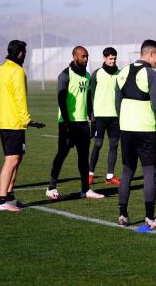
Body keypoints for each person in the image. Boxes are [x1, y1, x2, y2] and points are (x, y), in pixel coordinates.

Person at [115, 39, 156, 228]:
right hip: (145, 130)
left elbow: (117, 103)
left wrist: (122, 121)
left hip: (126, 129)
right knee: (149, 172)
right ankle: (150, 218)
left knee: (127, 171)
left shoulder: (122, 72)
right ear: (150, 55)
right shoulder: (152, 75)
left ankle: (123, 215)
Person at [0, 40, 45, 212]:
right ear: (21, 53)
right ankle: (1, 201)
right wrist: (26, 120)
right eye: (25, 52)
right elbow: (20, 99)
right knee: (11, 159)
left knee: (17, 158)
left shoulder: (0, 69)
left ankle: (10, 196)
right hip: (14, 123)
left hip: (6, 122)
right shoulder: (17, 71)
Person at [46, 46, 104, 200]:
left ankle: (86, 190)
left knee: (83, 157)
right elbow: (61, 100)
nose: (85, 59)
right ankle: (51, 187)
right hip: (67, 123)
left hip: (82, 124)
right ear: (74, 56)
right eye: (83, 56)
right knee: (62, 154)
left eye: (87, 56)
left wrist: (93, 120)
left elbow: (89, 101)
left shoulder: (86, 76)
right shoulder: (65, 75)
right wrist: (66, 123)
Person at [89, 47, 121, 185]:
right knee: (98, 144)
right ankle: (90, 174)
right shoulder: (96, 74)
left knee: (114, 144)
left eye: (114, 59)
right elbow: (90, 97)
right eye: (110, 58)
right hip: (100, 116)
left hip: (115, 117)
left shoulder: (120, 74)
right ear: (104, 58)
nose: (113, 61)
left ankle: (109, 176)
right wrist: (91, 116)